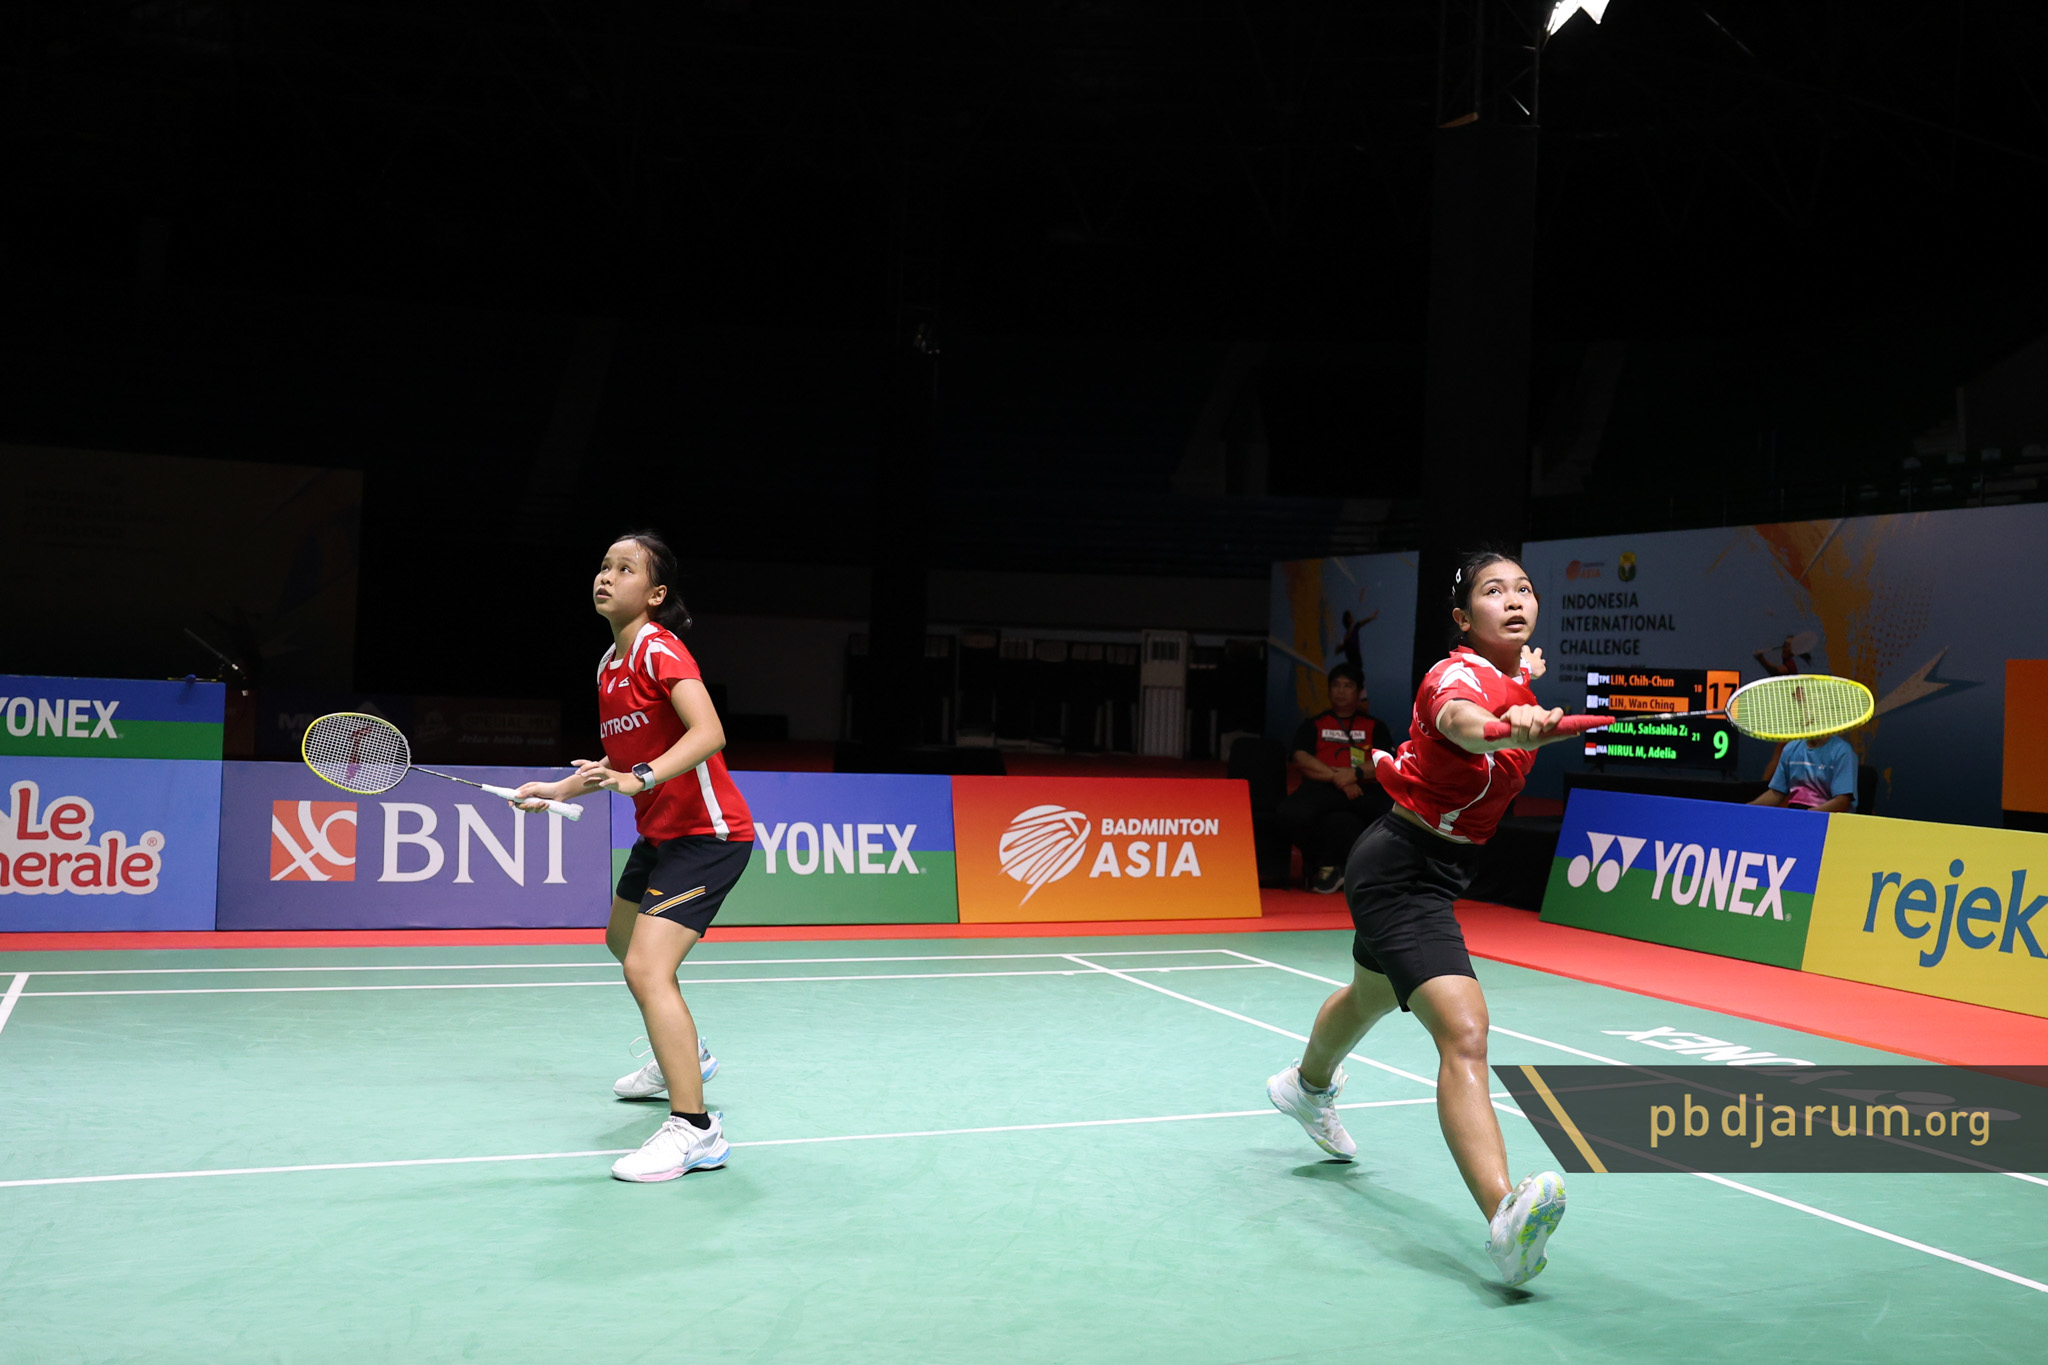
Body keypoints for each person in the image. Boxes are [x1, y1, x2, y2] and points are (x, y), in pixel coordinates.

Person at [1265, 550, 1577, 1288]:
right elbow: (1462, 721)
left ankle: (1305, 1086)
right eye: (1494, 591)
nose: (1515, 599)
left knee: (1369, 995)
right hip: (1402, 870)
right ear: (1463, 618)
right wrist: (1505, 726)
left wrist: (1523, 687)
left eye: (1524, 588)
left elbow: (1504, 687)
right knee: (1464, 1032)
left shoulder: (1511, 678)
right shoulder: (1452, 677)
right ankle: (1504, 1218)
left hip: (1432, 866)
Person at [514, 530, 756, 1184]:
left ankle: (695, 1130)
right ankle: (685, 1053)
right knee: (621, 941)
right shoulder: (608, 665)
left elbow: (709, 732)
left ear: (654, 593)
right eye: (603, 566)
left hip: (708, 834)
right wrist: (559, 789)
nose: (606, 576)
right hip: (659, 835)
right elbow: (621, 759)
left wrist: (642, 777)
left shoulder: (658, 648)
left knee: (648, 967)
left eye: (625, 569)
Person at [1278, 664, 1393, 894]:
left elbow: (1385, 761)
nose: (1341, 691)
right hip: (1323, 787)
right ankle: (1321, 861)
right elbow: (1300, 758)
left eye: (1348, 686)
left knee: (1396, 815)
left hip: (1363, 789)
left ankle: (1379, 871)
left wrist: (1355, 774)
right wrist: (1339, 778)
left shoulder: (1375, 726)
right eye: (1336, 685)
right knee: (1289, 813)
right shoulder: (1313, 724)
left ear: (1359, 692)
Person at [1751, 728, 1858, 813]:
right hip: (1799, 815)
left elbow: (1841, 801)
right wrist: (1747, 808)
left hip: (1829, 822)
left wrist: (1806, 816)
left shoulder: (1842, 751)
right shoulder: (1790, 749)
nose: (1806, 717)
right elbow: (1776, 793)